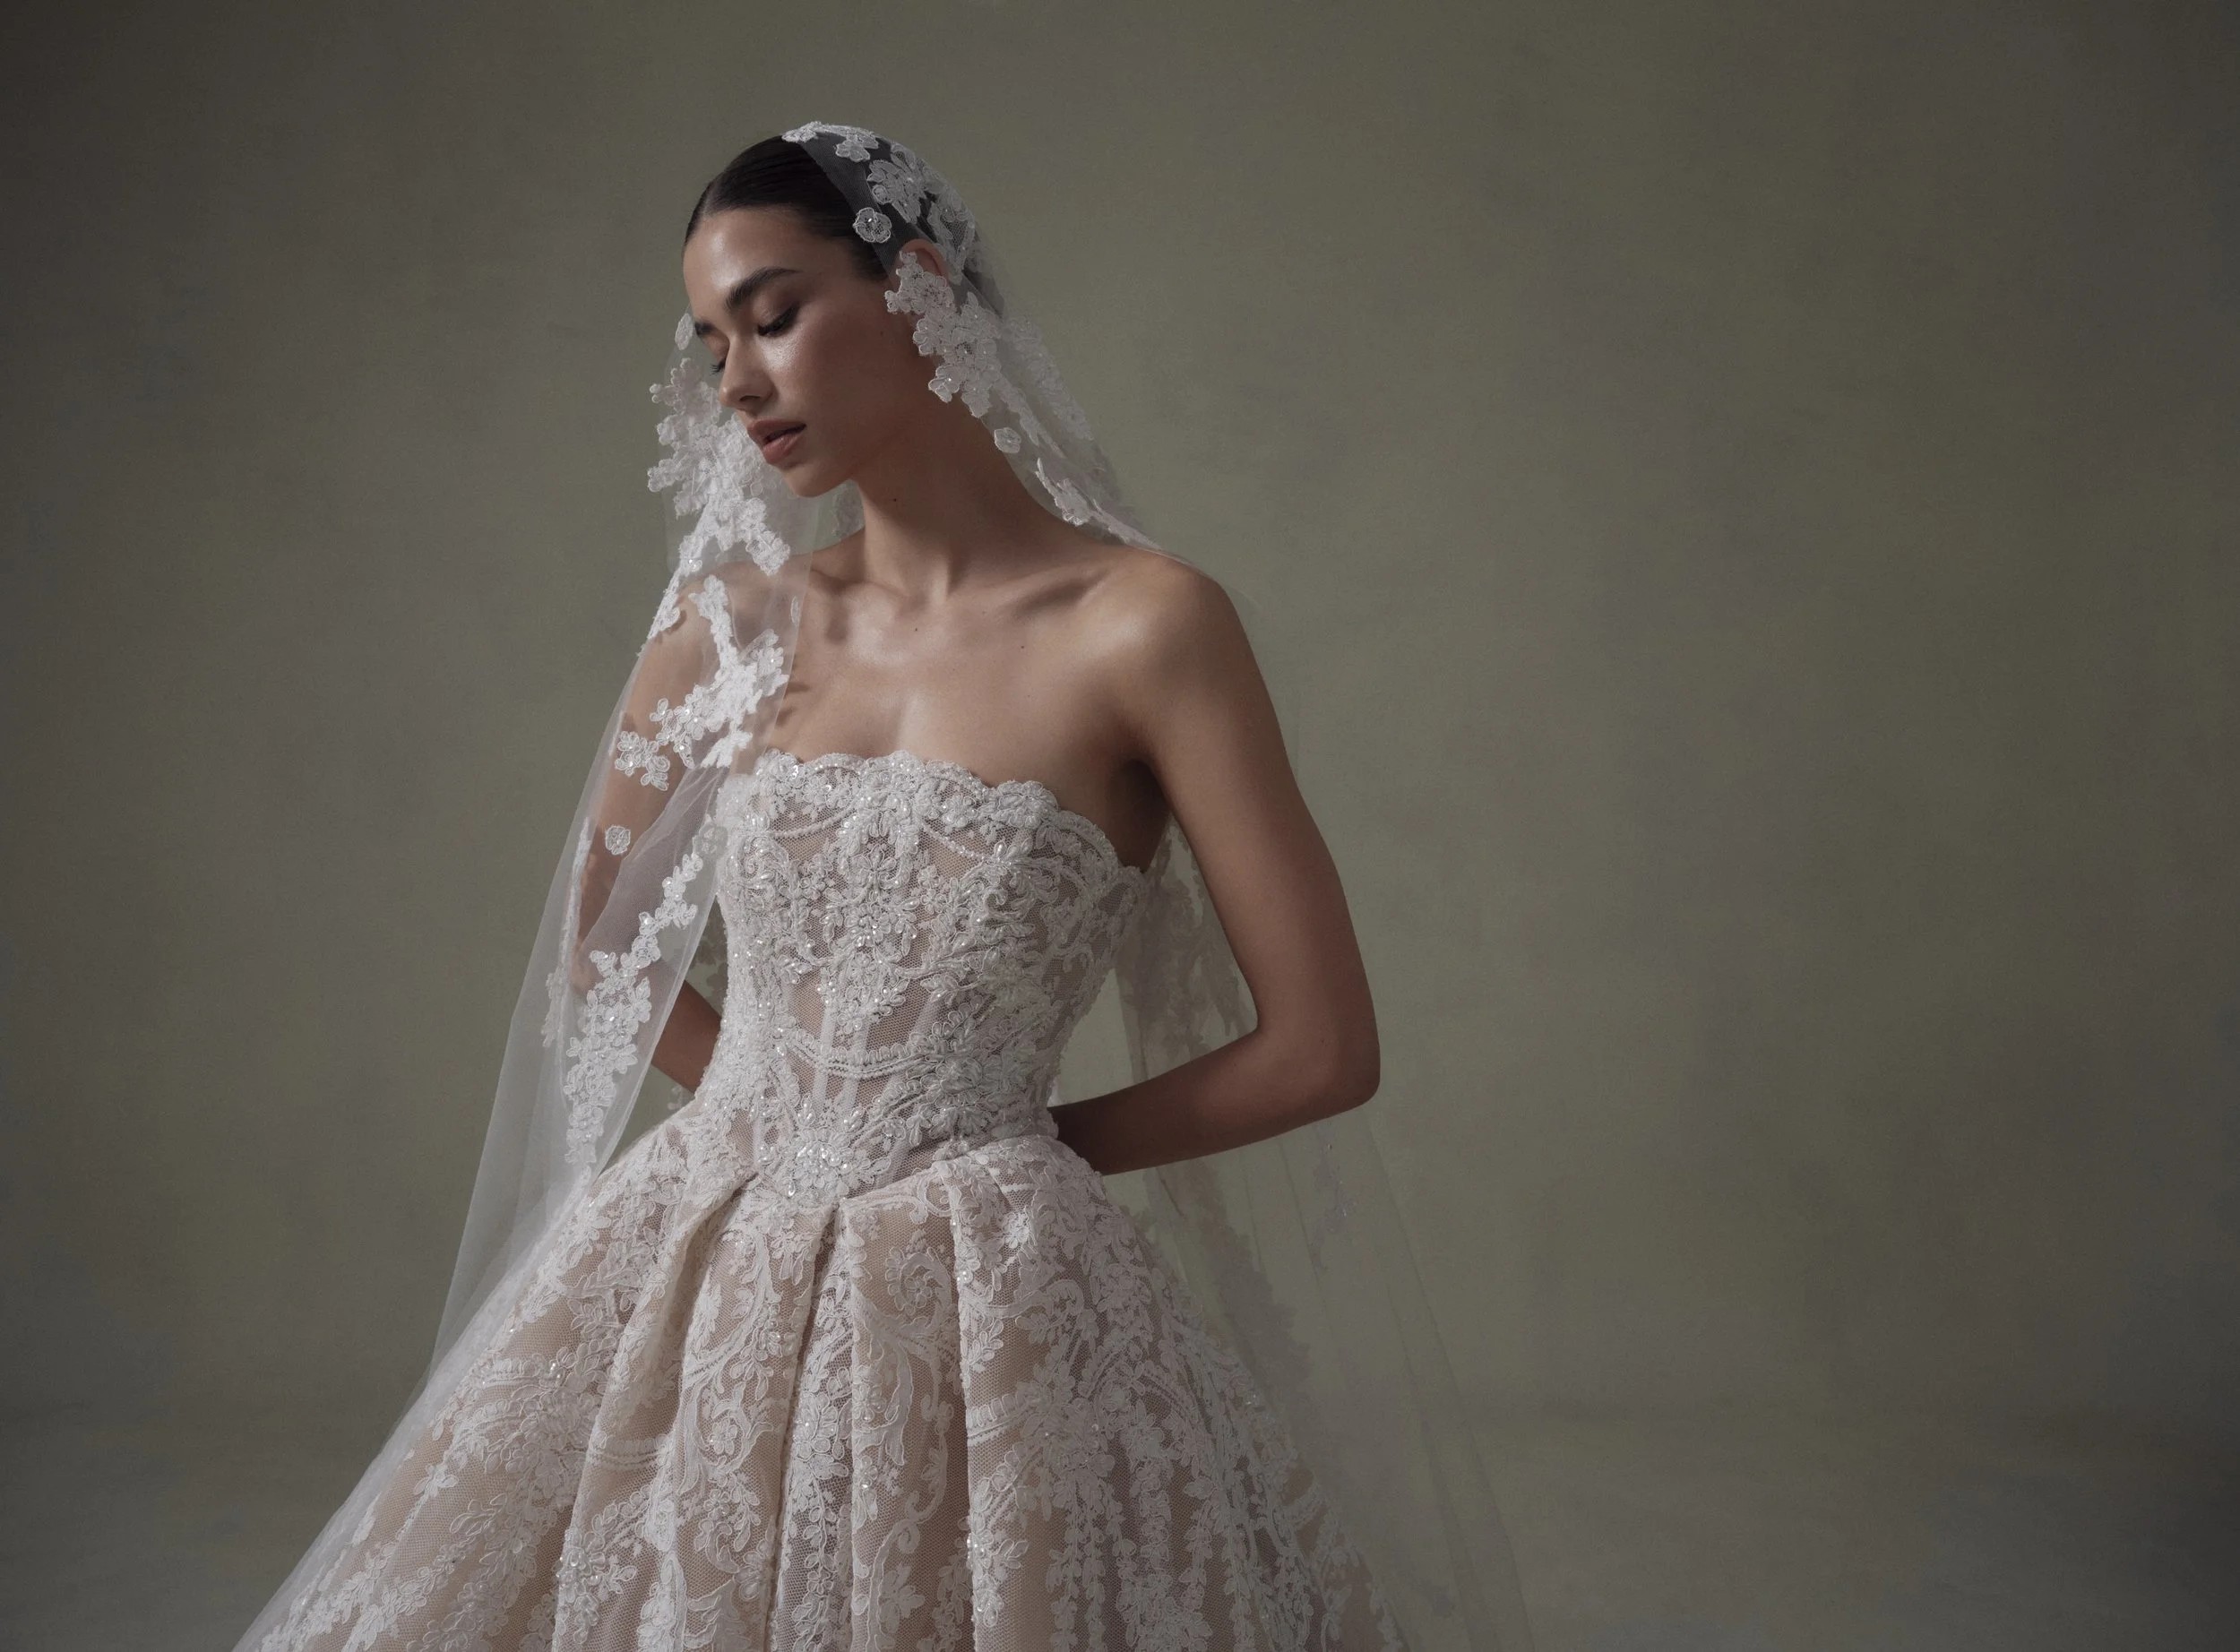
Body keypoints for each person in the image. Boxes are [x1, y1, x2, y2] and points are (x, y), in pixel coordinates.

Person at [230, 121, 1535, 1651]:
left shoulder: (1148, 630)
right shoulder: (732, 630)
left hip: (1000, 1295)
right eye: (710, 341)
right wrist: (769, 1127)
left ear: (916, 286)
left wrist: (1008, 1150)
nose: (735, 383)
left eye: (772, 315)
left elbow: (1323, 1047)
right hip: (704, 1253)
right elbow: (599, 941)